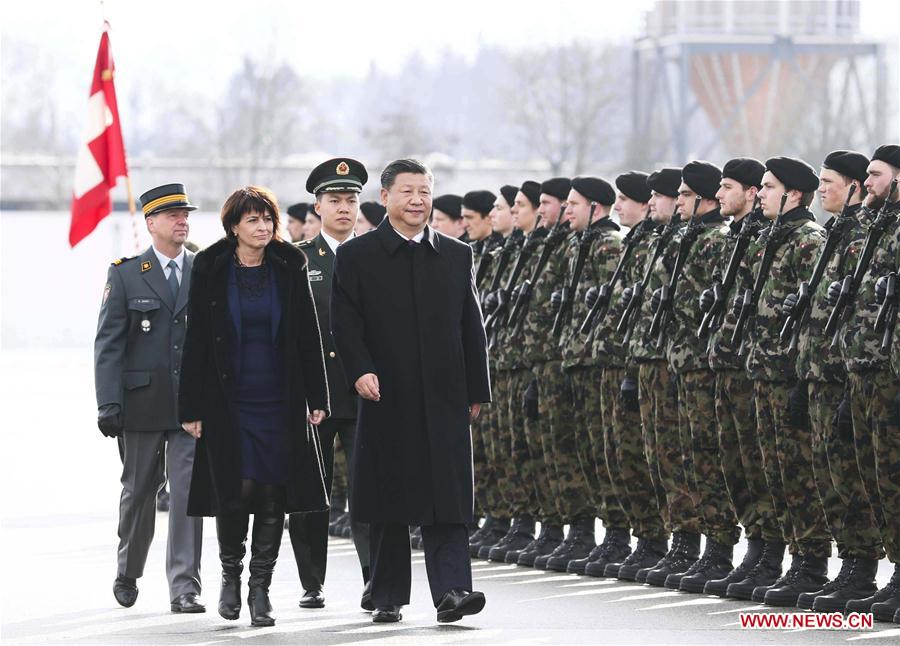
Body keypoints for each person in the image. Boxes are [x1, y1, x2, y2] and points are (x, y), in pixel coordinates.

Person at [331, 158, 491, 624]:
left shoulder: (456, 255)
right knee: (387, 496)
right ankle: (386, 593)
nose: (418, 200)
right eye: (407, 191)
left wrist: (476, 388)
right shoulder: (357, 256)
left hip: (443, 395)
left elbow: (471, 327)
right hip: (385, 394)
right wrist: (359, 370)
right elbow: (346, 323)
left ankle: (454, 591)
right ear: (384, 198)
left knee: (448, 495)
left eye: (425, 191)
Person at [178, 185, 330, 627]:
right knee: (234, 490)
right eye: (252, 220)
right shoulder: (209, 266)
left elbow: (307, 334)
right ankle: (230, 576)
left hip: (279, 400)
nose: (262, 227)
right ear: (233, 226)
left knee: (272, 492)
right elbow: (196, 341)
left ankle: (260, 589)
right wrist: (190, 406)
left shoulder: (289, 264)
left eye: (267, 218)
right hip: (228, 400)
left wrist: (317, 396)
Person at [94, 182, 204, 613]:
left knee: (187, 492)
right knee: (139, 492)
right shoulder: (124, 273)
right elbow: (109, 344)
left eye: (186, 214)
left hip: (189, 408)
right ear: (151, 222)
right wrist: (109, 403)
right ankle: (129, 568)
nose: (183, 221)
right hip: (141, 405)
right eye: (173, 215)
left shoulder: (204, 269)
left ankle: (185, 586)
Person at [289, 158, 372, 611]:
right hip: (314, 398)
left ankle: (374, 581)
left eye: (351, 199)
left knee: (368, 491)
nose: (344, 208)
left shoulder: (376, 254)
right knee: (310, 492)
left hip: (365, 395)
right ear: (317, 207)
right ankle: (311, 582)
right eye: (335, 200)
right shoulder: (296, 259)